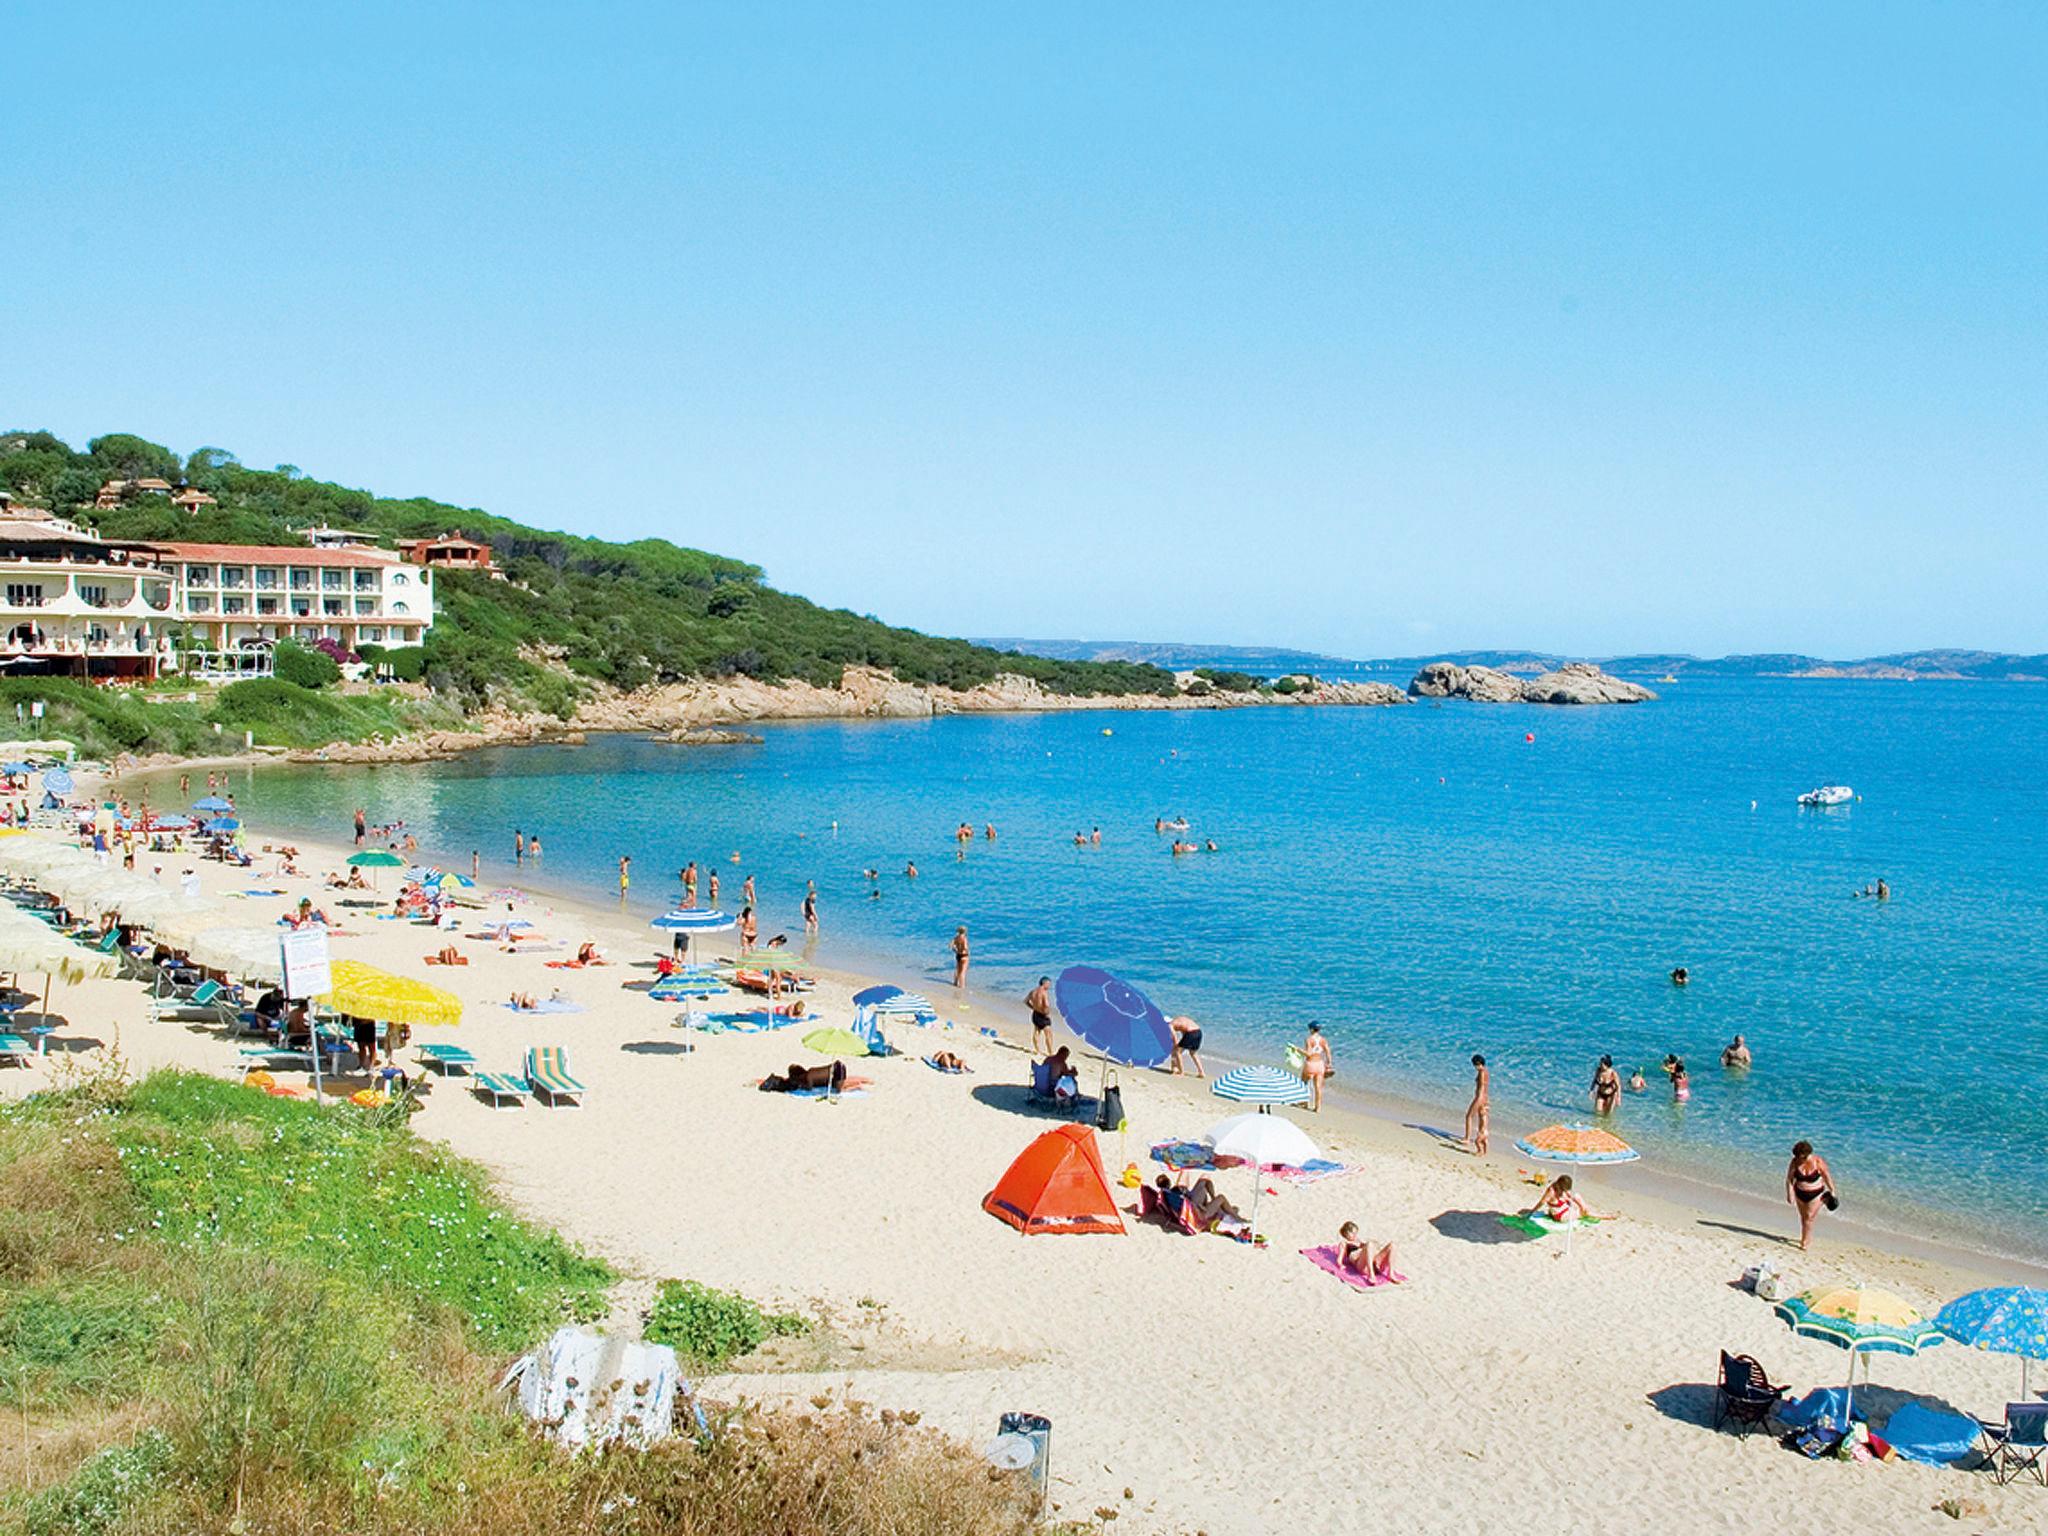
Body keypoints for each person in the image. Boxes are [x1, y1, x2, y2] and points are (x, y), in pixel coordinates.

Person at [1156, 1171, 1248, 1233]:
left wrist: (1182, 1191)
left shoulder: (1168, 1193)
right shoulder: (1170, 1196)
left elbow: (1181, 1203)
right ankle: (1238, 1218)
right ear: (1169, 1182)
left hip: (1193, 1204)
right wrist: (1199, 1207)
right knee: (1221, 1198)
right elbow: (1184, 1207)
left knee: (1205, 1177)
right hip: (1197, 1213)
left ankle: (1213, 1200)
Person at [1786, 1140, 1836, 1250]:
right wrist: (1790, 1194)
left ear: (1808, 1154)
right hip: (1799, 1192)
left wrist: (1832, 1191)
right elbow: (1790, 1179)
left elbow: (1827, 1176)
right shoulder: (1795, 1162)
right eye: (1798, 1157)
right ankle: (1805, 1237)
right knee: (1803, 1217)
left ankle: (1805, 1241)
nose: (1800, 1159)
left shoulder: (1818, 1162)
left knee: (1809, 1217)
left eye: (1803, 1157)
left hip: (1816, 1193)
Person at [1336, 1220, 1403, 1283]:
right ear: (1346, 1233)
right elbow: (1339, 1260)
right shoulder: (1344, 1243)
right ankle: (1371, 1275)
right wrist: (1341, 1265)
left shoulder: (1359, 1241)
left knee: (1392, 1245)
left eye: (1355, 1233)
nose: (1355, 1235)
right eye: (1352, 1233)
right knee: (1370, 1244)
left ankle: (1391, 1273)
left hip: (1376, 1264)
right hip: (1363, 1266)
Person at [1300, 1022, 1331, 1112]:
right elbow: (1328, 1052)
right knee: (1318, 1087)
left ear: (1312, 1029)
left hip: (1311, 1064)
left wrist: (1298, 1050)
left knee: (1304, 1083)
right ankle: (1318, 1107)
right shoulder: (1323, 1040)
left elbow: (1309, 1054)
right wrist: (1329, 1063)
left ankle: (1304, 1103)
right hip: (1320, 1064)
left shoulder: (1309, 1039)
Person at [1463, 1054, 1489, 1152]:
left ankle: (1467, 1138)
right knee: (1482, 1118)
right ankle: (1482, 1137)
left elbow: (1481, 1087)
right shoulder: (1486, 1071)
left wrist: (1479, 1099)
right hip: (1485, 1097)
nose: (1475, 1067)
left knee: (1469, 1116)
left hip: (1480, 1097)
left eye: (1475, 1065)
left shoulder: (1481, 1072)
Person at [1026, 976, 1054, 1054]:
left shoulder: (1033, 991)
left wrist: (1033, 1008)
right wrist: (1046, 1013)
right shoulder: (1044, 992)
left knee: (1036, 1031)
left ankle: (1037, 1050)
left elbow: (1026, 1001)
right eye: (1049, 984)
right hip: (1042, 1015)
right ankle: (1051, 1053)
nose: (1049, 986)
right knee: (1048, 1034)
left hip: (1035, 1014)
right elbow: (1046, 1005)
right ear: (1044, 983)